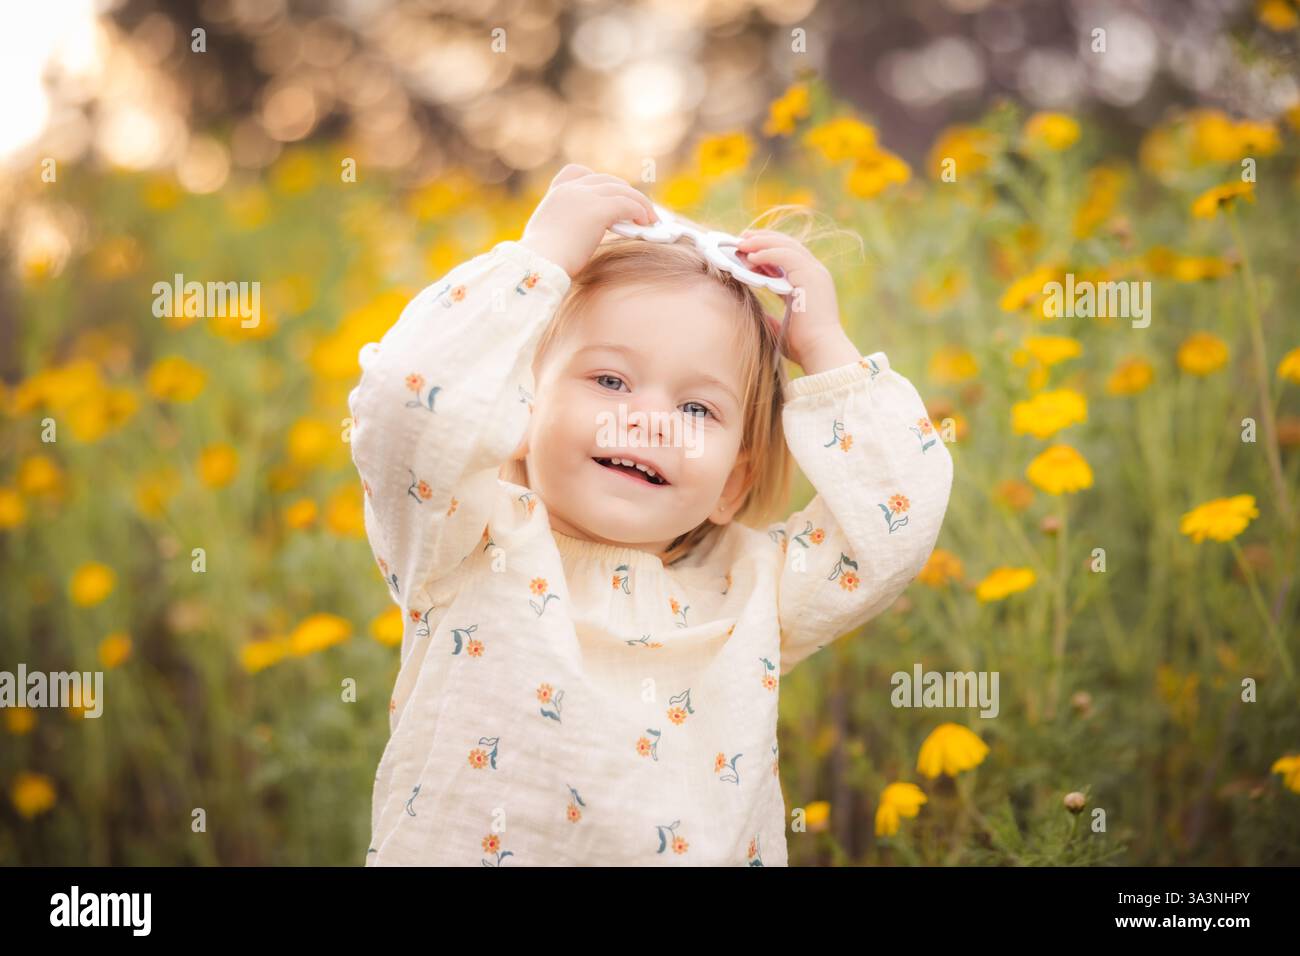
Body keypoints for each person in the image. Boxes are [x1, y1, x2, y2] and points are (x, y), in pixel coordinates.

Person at [349, 164, 953, 865]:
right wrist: (536, 260)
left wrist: (824, 347)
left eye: (696, 409)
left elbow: (896, 525)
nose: (649, 423)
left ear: (733, 483)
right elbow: (406, 402)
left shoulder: (751, 588)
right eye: (609, 380)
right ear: (520, 412)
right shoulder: (464, 541)